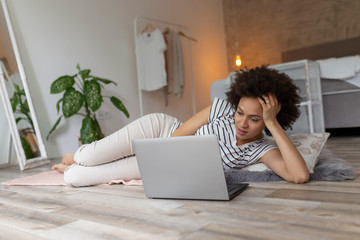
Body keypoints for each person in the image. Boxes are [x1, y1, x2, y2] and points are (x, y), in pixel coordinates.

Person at [52, 65, 310, 187]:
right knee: (88, 156)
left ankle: (73, 165)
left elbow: (299, 176)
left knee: (75, 178)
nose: (241, 123)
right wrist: (154, 154)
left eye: (254, 119)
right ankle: (76, 155)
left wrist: (272, 123)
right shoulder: (221, 108)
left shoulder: (261, 150)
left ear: (267, 120)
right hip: (162, 132)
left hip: (167, 162)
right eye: (240, 113)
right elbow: (178, 134)